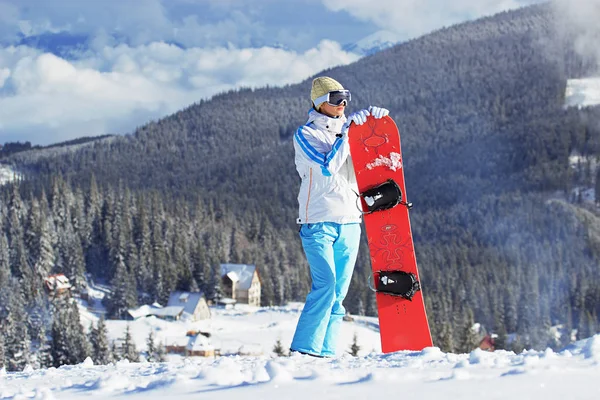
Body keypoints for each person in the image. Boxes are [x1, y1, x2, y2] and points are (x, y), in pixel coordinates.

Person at [290, 76, 389, 357]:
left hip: (350, 222)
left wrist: (374, 125)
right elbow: (327, 166)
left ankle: (327, 352)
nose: (343, 103)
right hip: (318, 223)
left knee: (338, 295)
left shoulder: (350, 131)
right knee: (326, 285)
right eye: (336, 98)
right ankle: (303, 351)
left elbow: (368, 165)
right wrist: (349, 132)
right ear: (320, 103)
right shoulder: (306, 135)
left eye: (345, 96)